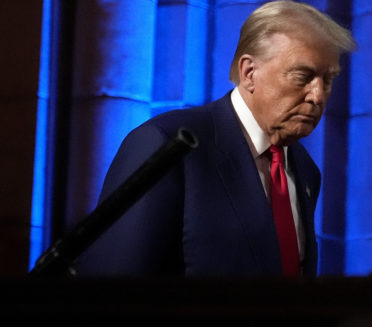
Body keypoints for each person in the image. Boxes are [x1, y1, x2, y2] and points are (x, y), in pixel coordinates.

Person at [76, 0, 355, 277]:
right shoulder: (167, 145)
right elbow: (111, 291)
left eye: (327, 80)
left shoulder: (305, 170)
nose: (317, 96)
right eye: (302, 76)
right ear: (249, 73)